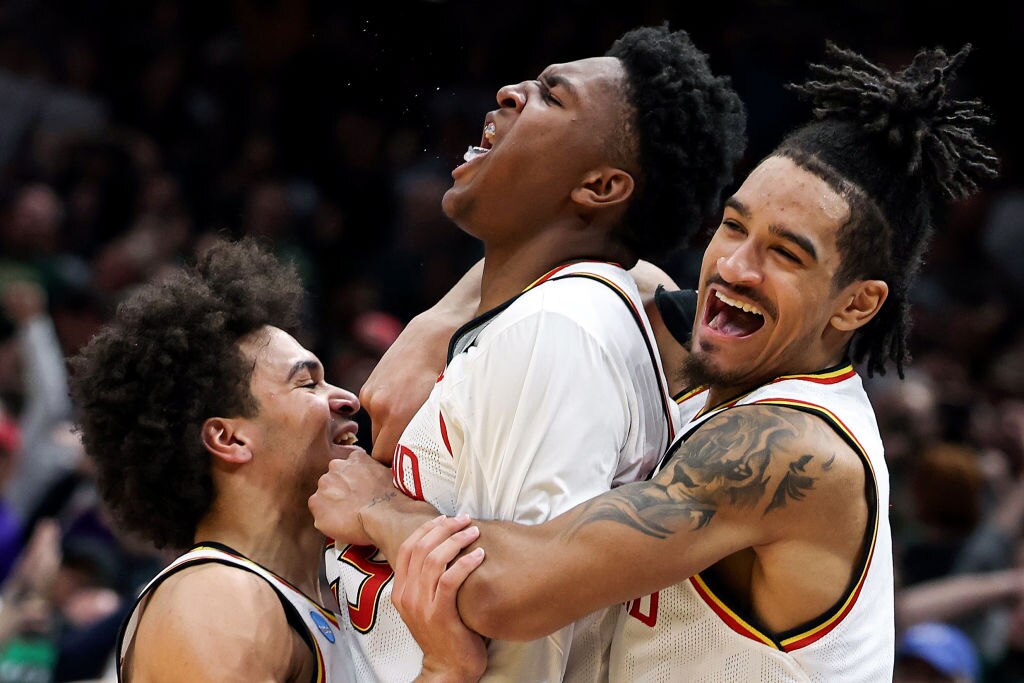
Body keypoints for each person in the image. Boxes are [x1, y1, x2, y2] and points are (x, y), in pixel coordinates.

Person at [313, 43, 999, 681]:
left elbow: (508, 593)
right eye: (734, 225)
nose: (735, 267)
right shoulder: (733, 342)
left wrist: (378, 505)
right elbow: (581, 255)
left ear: (856, 304)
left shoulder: (793, 451)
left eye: (786, 254)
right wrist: (433, 327)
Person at [310, 25, 745, 682]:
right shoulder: (549, 313)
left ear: (600, 187)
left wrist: (380, 508)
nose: (509, 93)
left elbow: (526, 647)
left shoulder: (561, 327)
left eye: (551, 95)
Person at [68, 239, 485, 682]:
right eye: (307, 384)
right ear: (229, 438)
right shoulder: (213, 598)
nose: (346, 398)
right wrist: (445, 672)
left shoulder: (332, 583)